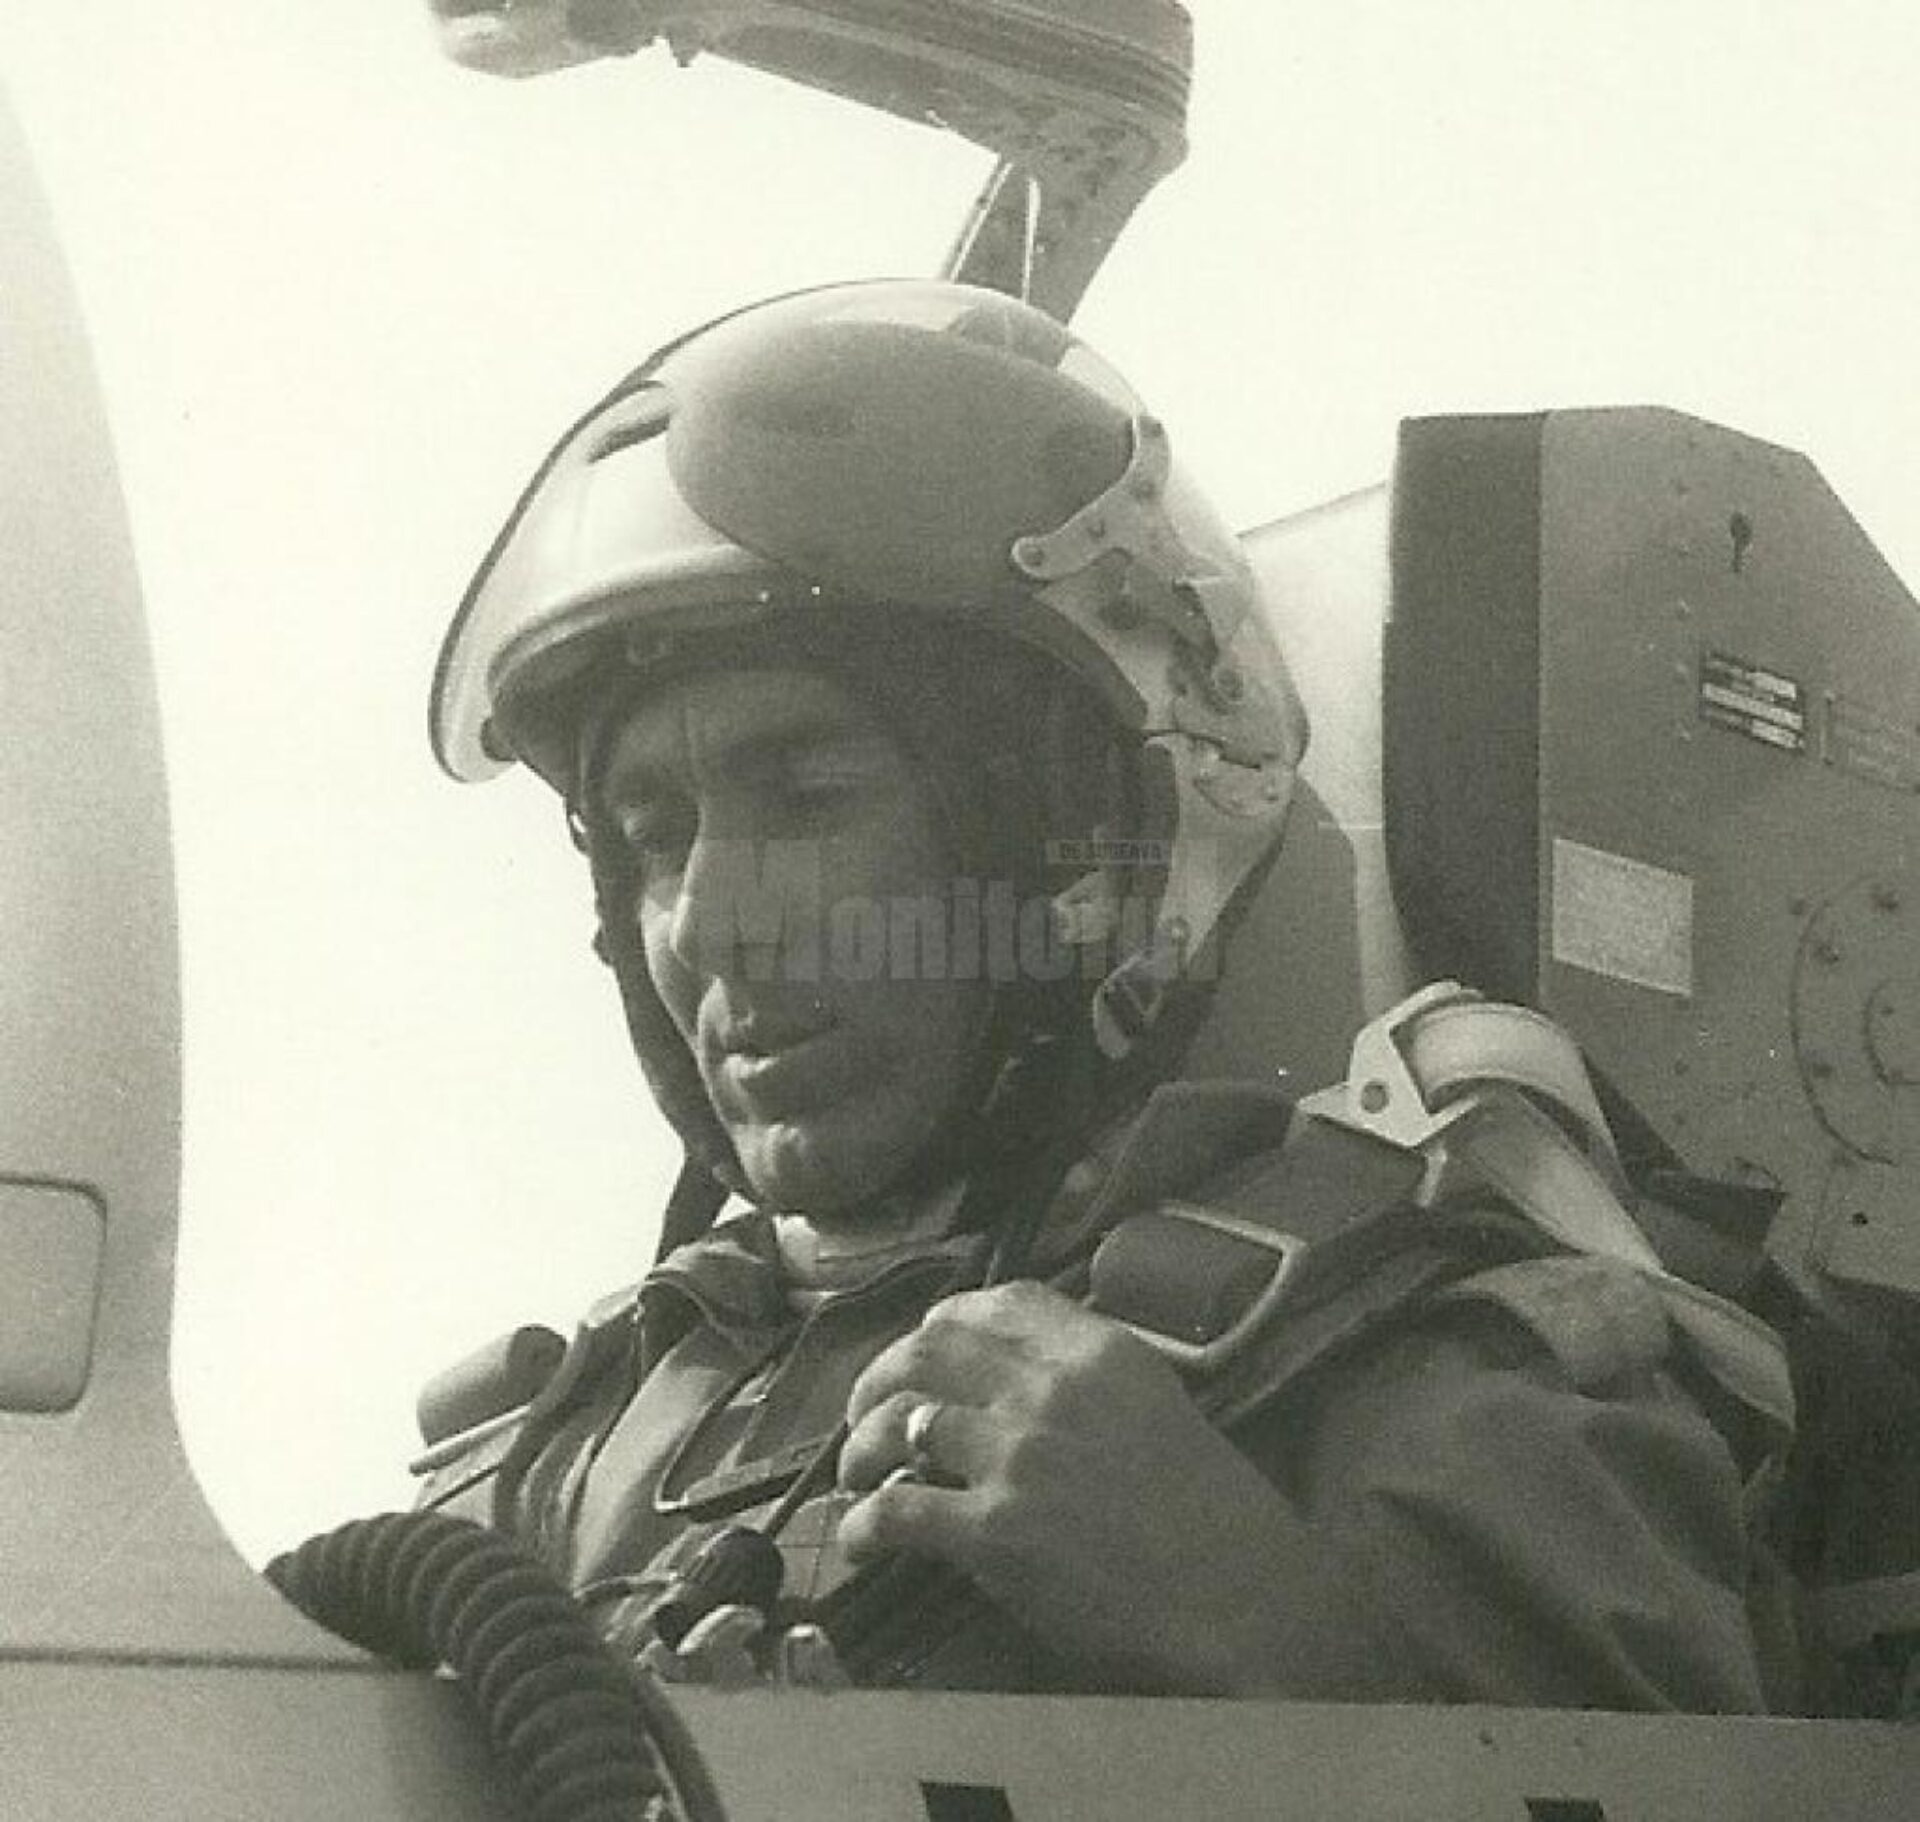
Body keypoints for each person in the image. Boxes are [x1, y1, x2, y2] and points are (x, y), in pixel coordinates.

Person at [413, 279, 1793, 1707]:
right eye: (653, 836)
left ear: (1074, 841)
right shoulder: (548, 1458)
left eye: (810, 794)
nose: (711, 922)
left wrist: (1255, 1612)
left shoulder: (1418, 1385)